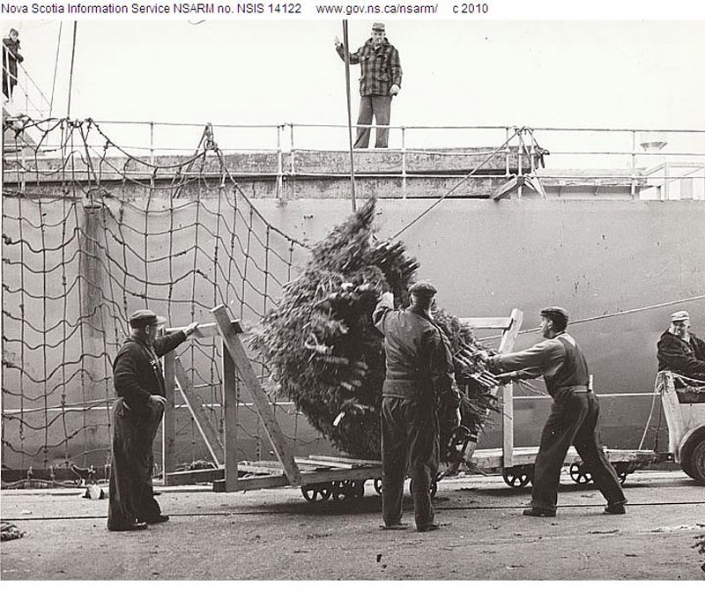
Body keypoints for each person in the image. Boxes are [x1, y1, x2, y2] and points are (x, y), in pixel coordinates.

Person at [486, 307, 627, 517]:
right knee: (592, 452)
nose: (540, 326)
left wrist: (490, 361)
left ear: (550, 323)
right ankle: (616, 500)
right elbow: (539, 368)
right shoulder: (569, 342)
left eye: (542, 322)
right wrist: (510, 377)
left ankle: (543, 506)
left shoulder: (551, 345)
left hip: (569, 402)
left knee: (550, 452)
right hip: (587, 400)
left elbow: (523, 358)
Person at [372, 281, 461, 532]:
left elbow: (379, 312)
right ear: (432, 302)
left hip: (390, 398)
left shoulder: (391, 320)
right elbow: (444, 377)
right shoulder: (431, 333)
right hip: (418, 401)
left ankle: (391, 519)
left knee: (391, 458)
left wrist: (387, 296)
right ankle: (424, 519)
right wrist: (453, 407)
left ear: (410, 298)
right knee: (421, 459)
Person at [108, 309, 199, 532]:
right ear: (147, 330)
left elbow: (161, 345)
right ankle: (121, 519)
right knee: (128, 469)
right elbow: (122, 382)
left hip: (139, 420)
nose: (158, 332)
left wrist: (185, 333)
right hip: (130, 418)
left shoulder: (144, 347)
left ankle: (146, 511)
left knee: (142, 465)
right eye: (155, 328)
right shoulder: (130, 351)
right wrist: (148, 398)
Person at [334, 22, 402, 149]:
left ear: (384, 35)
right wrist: (340, 48)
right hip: (366, 91)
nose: (378, 37)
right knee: (363, 122)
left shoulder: (391, 50)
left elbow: (396, 70)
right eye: (376, 34)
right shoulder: (364, 49)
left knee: (382, 123)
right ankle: (359, 149)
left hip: (382, 92)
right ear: (371, 34)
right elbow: (351, 58)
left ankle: (381, 150)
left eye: (380, 34)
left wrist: (396, 84)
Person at [656, 310, 705, 383]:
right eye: (675, 324)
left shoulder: (692, 339)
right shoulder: (667, 342)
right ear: (671, 324)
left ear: (688, 326)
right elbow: (682, 363)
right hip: (677, 379)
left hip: (690, 376)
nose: (677, 328)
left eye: (681, 325)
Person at [2, 28, 23, 101]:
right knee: (6, 83)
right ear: (10, 35)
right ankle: (6, 98)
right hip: (7, 67)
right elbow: (12, 52)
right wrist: (20, 57)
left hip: (11, 68)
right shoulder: (8, 43)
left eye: (16, 35)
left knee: (10, 84)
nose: (15, 37)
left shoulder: (14, 45)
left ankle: (8, 98)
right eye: (13, 35)